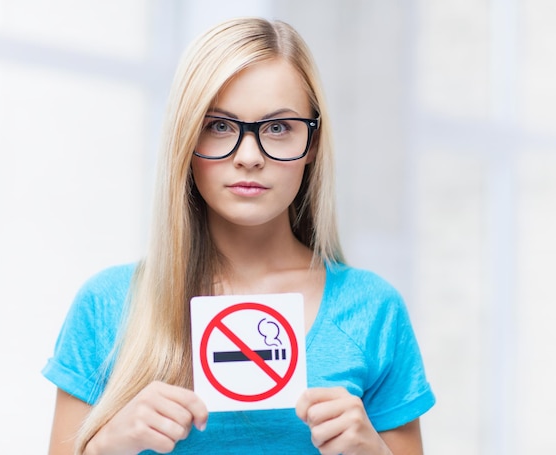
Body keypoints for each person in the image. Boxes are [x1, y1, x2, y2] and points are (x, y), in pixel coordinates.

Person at [43, 17, 435, 455]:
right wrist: (106, 446)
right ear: (184, 140)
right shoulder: (107, 305)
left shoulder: (373, 309)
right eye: (220, 126)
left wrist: (372, 451)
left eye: (279, 128)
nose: (249, 157)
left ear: (313, 146)